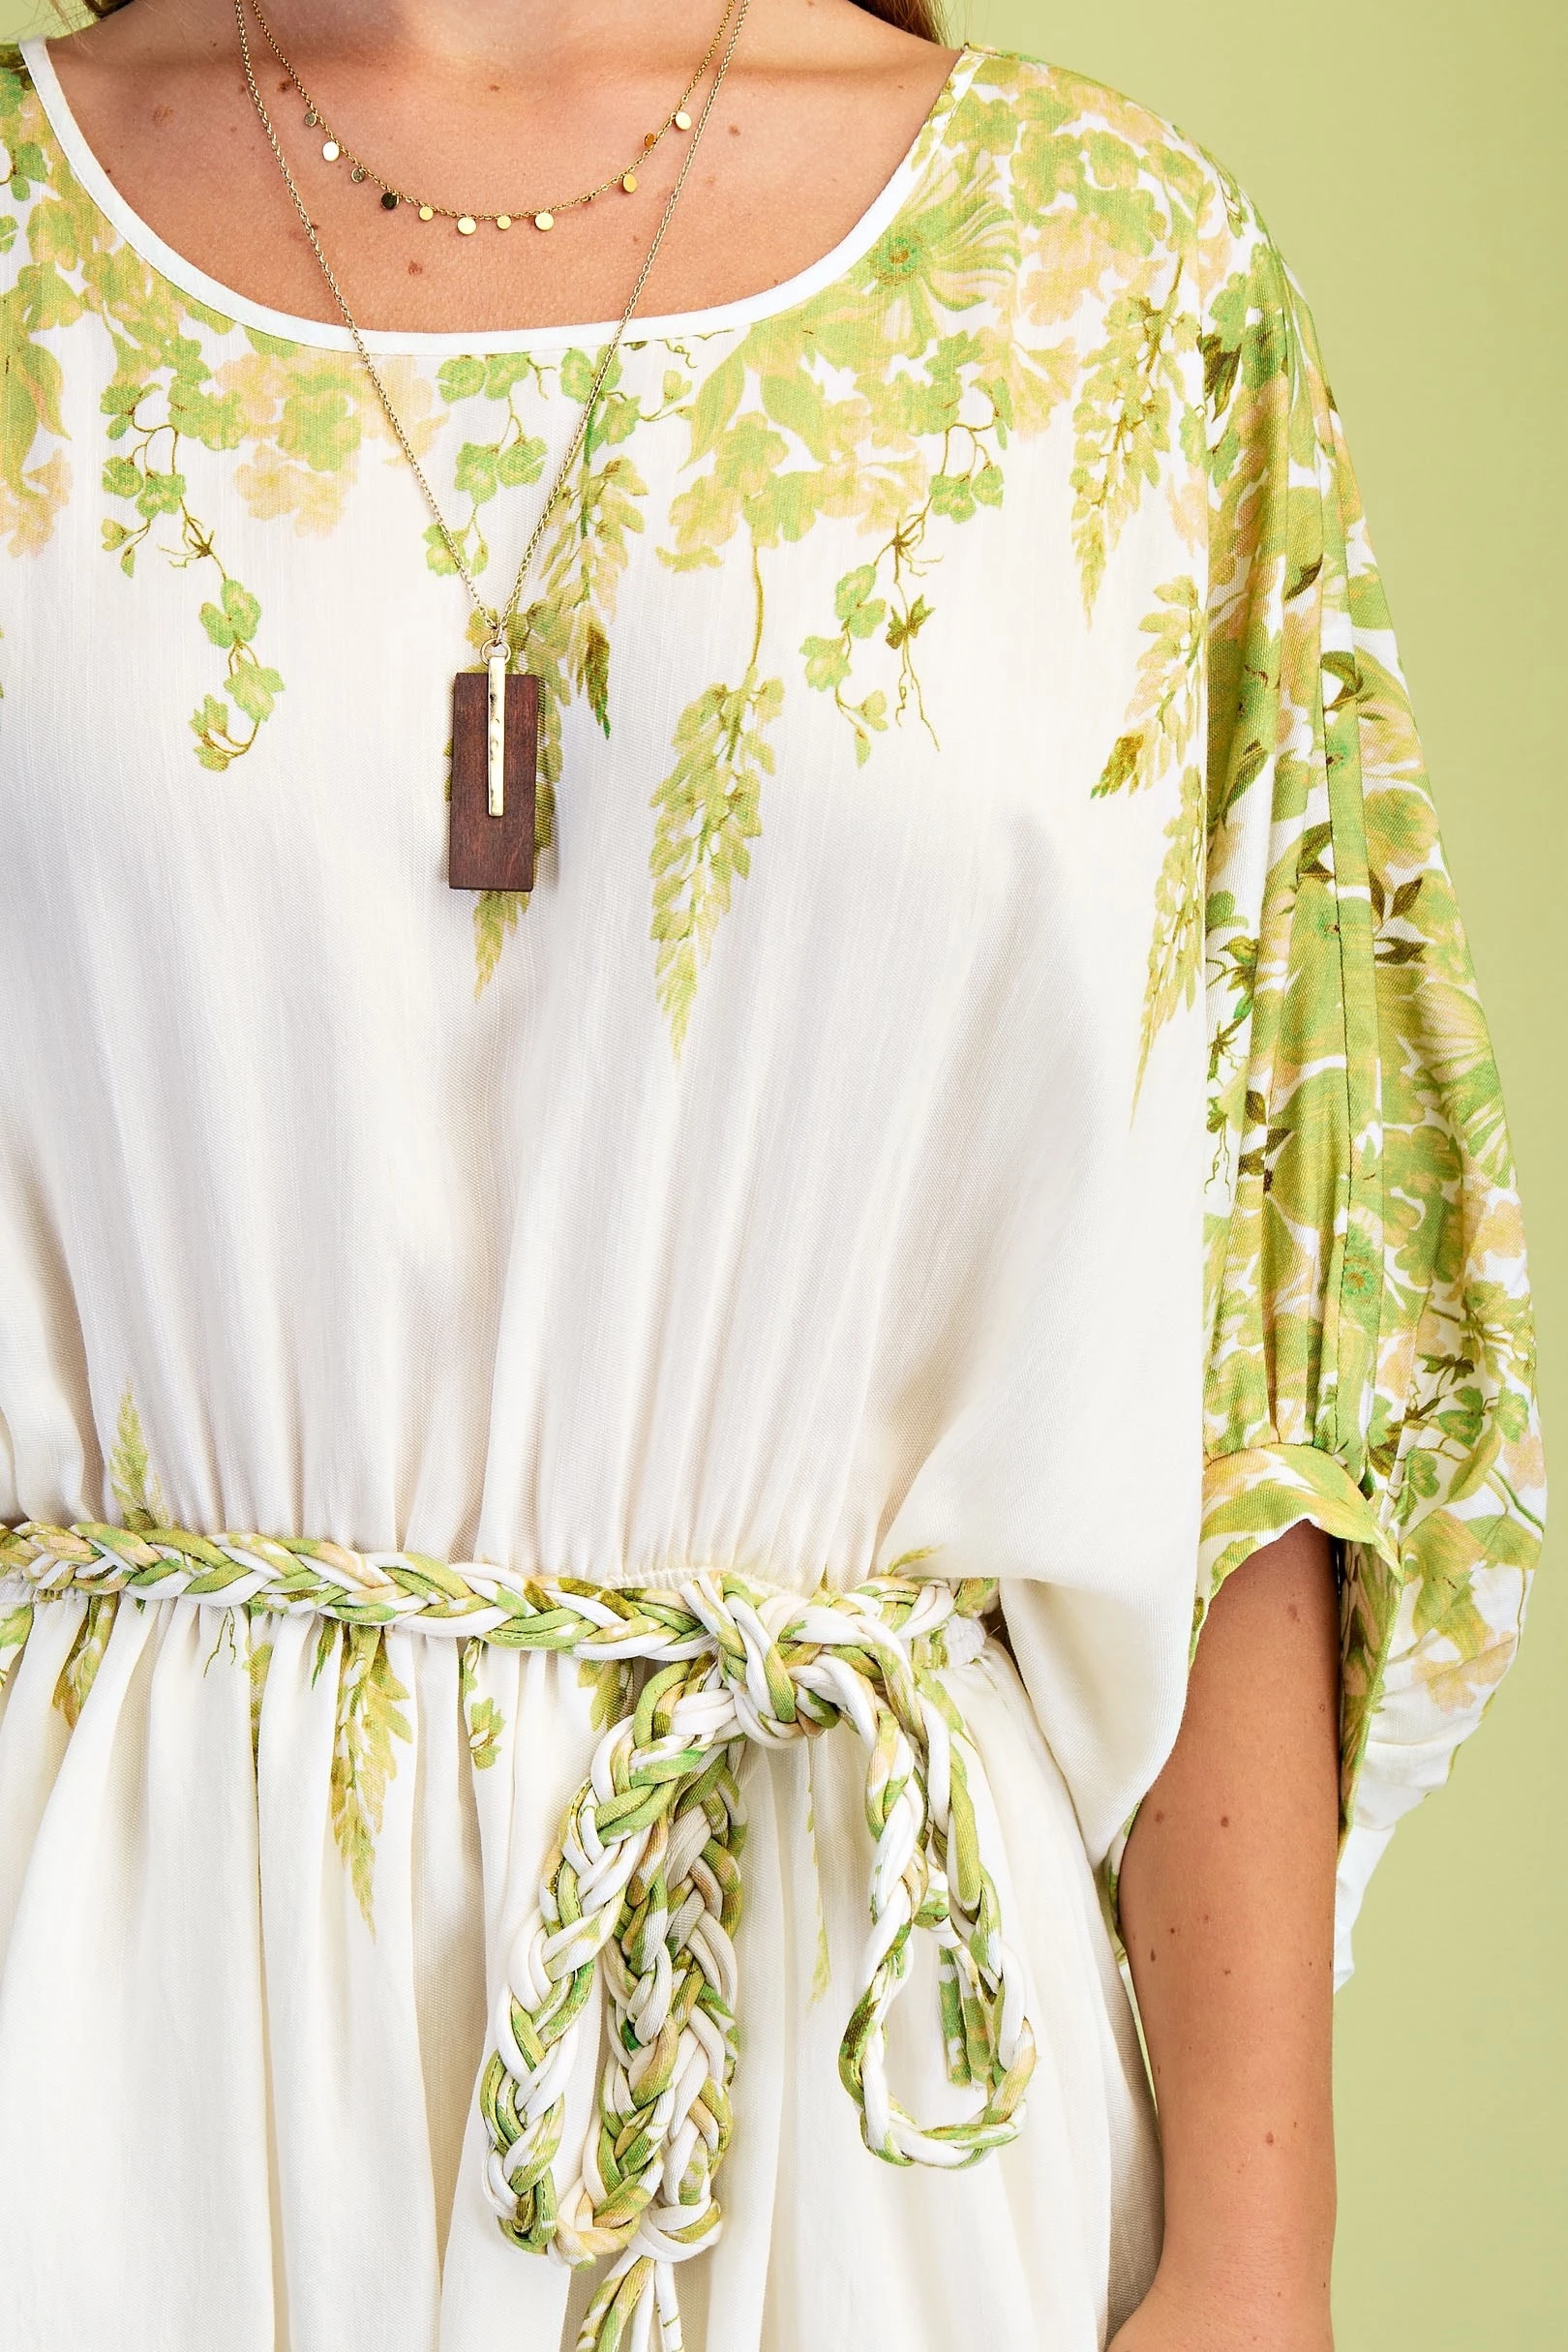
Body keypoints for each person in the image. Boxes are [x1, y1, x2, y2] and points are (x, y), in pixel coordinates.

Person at [0, 2, 1543, 2348]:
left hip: (866, 2073)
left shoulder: (1109, 272)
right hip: (91, 2035)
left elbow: (1251, 1351)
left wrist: (1254, 2261)